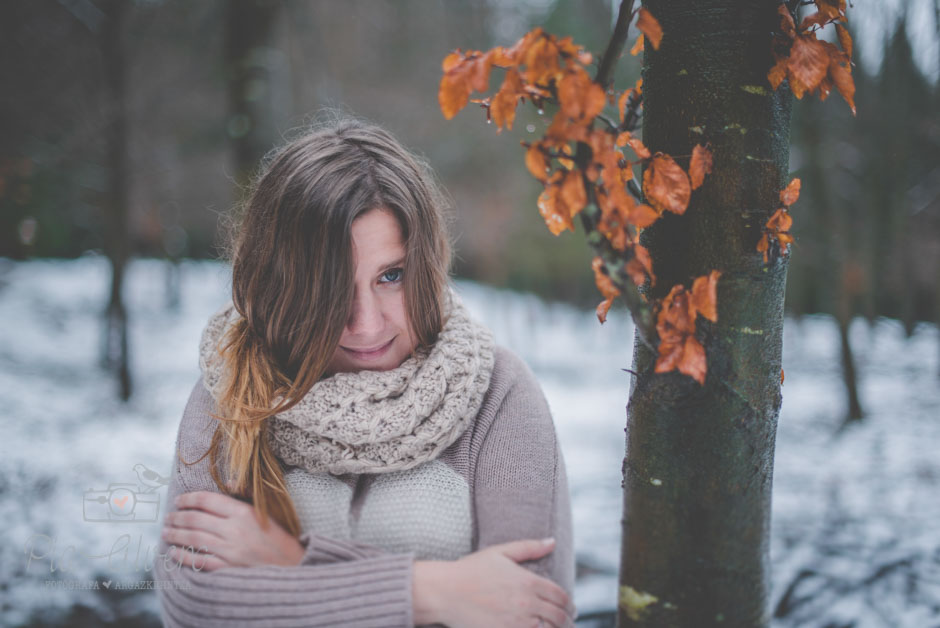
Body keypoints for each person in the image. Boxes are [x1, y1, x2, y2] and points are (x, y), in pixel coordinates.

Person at [152, 113, 576, 628]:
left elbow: (529, 611)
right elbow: (193, 603)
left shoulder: (497, 395)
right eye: (330, 289)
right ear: (283, 287)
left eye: (391, 276)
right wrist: (430, 592)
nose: (366, 324)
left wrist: (293, 563)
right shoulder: (236, 387)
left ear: (428, 263)